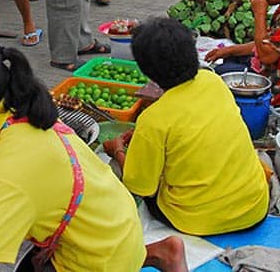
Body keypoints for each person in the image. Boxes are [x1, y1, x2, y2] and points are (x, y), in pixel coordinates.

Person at [0, 27, 188, 272]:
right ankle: (157, 252)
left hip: (101, 256)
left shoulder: (12, 166)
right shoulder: (5, 114)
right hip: (109, 225)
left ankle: (150, 254)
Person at [104, 18, 270, 236]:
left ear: (146, 70)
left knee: (114, 172)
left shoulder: (153, 119)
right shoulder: (213, 82)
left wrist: (116, 150)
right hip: (254, 208)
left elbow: (140, 186)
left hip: (197, 220)